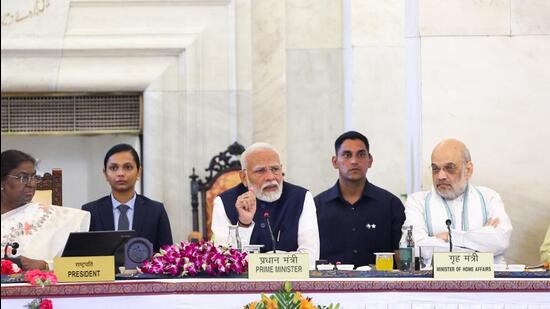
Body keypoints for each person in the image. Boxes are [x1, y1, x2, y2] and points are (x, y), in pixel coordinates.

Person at [404, 139, 512, 264]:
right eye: (435, 169)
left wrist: (449, 237)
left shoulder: (488, 197)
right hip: (435, 282)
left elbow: (500, 242)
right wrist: (481, 239)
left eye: (450, 168)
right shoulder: (417, 202)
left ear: (468, 170)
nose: (441, 176)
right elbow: (414, 249)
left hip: (486, 282)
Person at [211, 142, 320, 267]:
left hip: (291, 284)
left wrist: (263, 264)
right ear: (243, 177)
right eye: (260, 171)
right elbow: (225, 261)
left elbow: (310, 258)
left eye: (275, 169)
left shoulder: (302, 198)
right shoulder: (224, 202)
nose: (270, 177)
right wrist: (244, 224)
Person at [315, 131, 406, 267]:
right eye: (347, 155)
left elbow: (402, 257)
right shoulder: (317, 206)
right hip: (330, 286)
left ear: (370, 160)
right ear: (335, 162)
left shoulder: (390, 205)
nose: (354, 161)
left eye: (361, 154)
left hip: (381, 287)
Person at [1, 150, 90, 270]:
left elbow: (80, 265)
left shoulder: (57, 217)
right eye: (23, 177)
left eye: (34, 177)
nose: (31, 184)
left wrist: (45, 265)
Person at [82, 144, 173, 252]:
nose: (120, 173)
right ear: (105, 173)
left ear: (139, 171)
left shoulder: (156, 211)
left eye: (128, 167)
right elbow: (84, 255)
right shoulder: (90, 211)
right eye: (113, 168)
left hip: (142, 269)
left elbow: (167, 255)